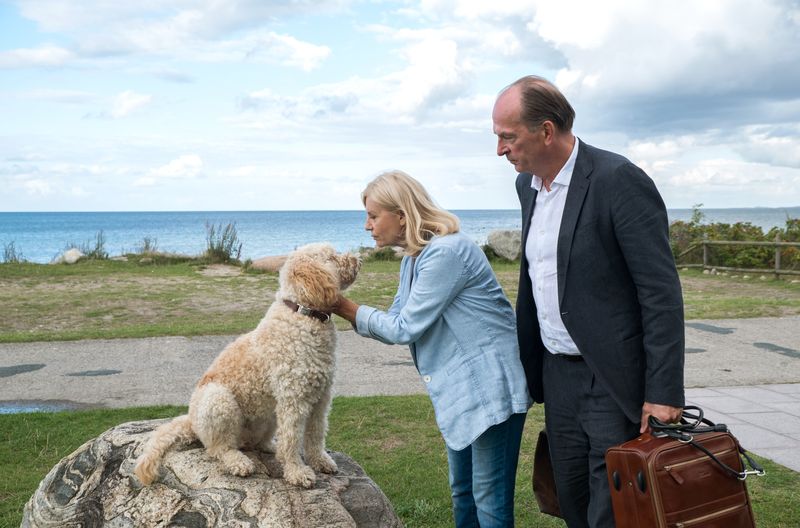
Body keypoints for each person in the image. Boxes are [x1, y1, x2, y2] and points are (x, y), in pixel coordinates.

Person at [492, 75, 685, 528]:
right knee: (572, 500)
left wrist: (662, 393)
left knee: (612, 510)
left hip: (610, 377)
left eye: (507, 136)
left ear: (545, 130)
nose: (500, 150)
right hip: (558, 376)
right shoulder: (528, 187)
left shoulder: (618, 180)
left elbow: (660, 294)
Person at [333, 170, 531, 527]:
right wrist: (349, 310)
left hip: (490, 389)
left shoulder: (447, 252)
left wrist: (342, 306)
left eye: (373, 216)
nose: (367, 226)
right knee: (462, 493)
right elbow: (396, 318)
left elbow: (404, 328)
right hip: (462, 393)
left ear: (403, 215)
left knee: (489, 501)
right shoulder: (414, 258)